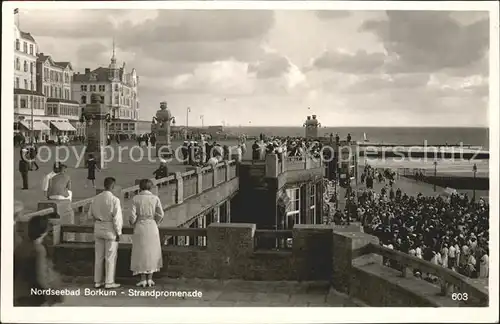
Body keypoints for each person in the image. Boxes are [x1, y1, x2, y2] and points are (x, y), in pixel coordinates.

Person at [14, 215, 64, 306]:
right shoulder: (39, 249)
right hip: (33, 293)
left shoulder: (21, 246)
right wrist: (51, 294)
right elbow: (40, 276)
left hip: (19, 291)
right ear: (44, 231)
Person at [88, 177, 123, 289]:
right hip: (110, 229)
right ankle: (109, 282)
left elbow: (89, 215)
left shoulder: (95, 198)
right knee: (110, 257)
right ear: (113, 186)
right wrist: (119, 232)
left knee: (98, 257)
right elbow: (117, 219)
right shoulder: (115, 200)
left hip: (98, 227)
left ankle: (97, 281)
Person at [130, 179, 164, 287]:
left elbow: (132, 216)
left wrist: (133, 223)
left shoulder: (136, 198)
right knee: (152, 252)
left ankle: (143, 278)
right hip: (152, 225)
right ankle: (150, 278)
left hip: (140, 225)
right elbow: (161, 214)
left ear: (140, 187)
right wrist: (156, 221)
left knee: (140, 251)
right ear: (150, 187)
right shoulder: (155, 198)